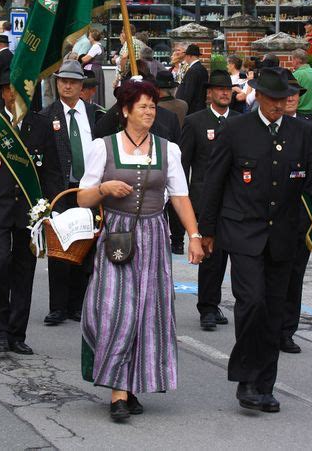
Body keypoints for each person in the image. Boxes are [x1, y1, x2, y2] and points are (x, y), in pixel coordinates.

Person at [78, 79, 204, 421]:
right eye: (143, 106)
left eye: (153, 106)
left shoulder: (168, 149)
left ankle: (126, 389)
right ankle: (118, 386)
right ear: (126, 111)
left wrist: (193, 235)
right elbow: (82, 197)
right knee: (116, 311)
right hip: (117, 237)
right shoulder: (103, 147)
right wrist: (103, 187)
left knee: (148, 312)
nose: (149, 112)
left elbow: (179, 196)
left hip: (154, 235)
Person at [198, 68, 312, 413]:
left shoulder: (306, 134)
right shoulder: (235, 130)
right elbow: (215, 182)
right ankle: (246, 377)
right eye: (273, 99)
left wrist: (310, 221)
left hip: (285, 235)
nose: (279, 105)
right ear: (258, 97)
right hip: (243, 232)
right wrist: (205, 232)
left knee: (273, 310)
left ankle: (263, 385)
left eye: (285, 99)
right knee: (251, 302)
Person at [0, 72, 63, 353]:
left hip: (30, 211)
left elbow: (52, 171)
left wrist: (52, 207)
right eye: (9, 90)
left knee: (24, 270)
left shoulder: (41, 125)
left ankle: (16, 334)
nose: (14, 95)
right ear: (2, 93)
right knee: (1, 264)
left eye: (18, 90)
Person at [180, 70, 239, 330]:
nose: (224, 92)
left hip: (237, 201)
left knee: (235, 255)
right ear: (210, 93)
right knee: (211, 256)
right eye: (219, 89)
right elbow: (183, 165)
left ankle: (219, 305)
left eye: (228, 89)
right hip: (205, 200)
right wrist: (184, 203)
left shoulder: (241, 121)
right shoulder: (195, 122)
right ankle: (207, 307)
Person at [40, 60, 98, 326]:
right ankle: (57, 307)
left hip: (89, 189)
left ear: (81, 85)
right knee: (60, 248)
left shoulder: (95, 114)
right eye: (63, 80)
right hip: (59, 191)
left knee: (86, 246)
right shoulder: (46, 115)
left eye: (73, 81)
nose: (67, 85)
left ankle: (77, 305)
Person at [280, 70, 312, 354]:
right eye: (287, 93)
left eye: (296, 93)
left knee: (293, 279)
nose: (292, 97)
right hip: (263, 218)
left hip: (298, 217)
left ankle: (286, 331)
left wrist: (310, 212)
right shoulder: (259, 128)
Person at [176, 44, 209, 114]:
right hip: (200, 107)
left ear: (189, 56)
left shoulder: (192, 70)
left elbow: (188, 92)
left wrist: (183, 107)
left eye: (186, 56)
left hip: (192, 109)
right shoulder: (203, 69)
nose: (185, 58)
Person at [291, 48, 312, 121]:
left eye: (292, 59)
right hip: (311, 114)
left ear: (297, 60)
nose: (292, 62)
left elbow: (289, 94)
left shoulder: (297, 74)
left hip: (299, 114)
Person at [79, 29, 105, 107]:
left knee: (91, 89)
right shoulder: (99, 46)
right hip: (97, 69)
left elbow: (85, 59)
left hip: (93, 70)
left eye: (89, 36)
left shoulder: (96, 46)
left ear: (93, 37)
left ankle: (92, 107)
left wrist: (79, 57)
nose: (88, 37)